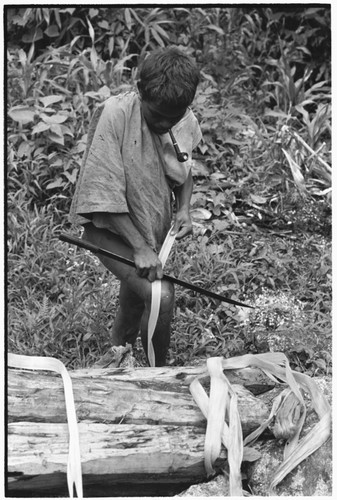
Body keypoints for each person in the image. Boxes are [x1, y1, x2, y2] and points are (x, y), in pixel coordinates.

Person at [70, 46, 202, 366]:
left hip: (150, 233)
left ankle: (119, 356)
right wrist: (140, 247)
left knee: (135, 299)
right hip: (108, 229)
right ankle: (158, 376)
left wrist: (183, 209)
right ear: (141, 90)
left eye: (174, 118)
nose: (164, 125)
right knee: (160, 296)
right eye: (157, 116)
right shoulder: (116, 113)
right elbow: (101, 195)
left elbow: (185, 172)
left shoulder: (180, 117)